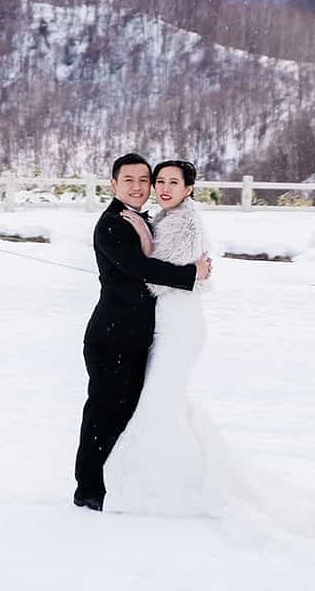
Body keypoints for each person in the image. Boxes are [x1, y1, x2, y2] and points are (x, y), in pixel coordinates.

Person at [73, 153, 212, 511]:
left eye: (143, 180)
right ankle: (88, 488)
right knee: (103, 413)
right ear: (113, 184)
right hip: (111, 337)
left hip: (135, 338)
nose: (138, 187)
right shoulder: (113, 224)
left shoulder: (143, 220)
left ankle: (119, 483)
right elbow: (139, 267)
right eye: (129, 180)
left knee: (126, 414)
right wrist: (191, 274)